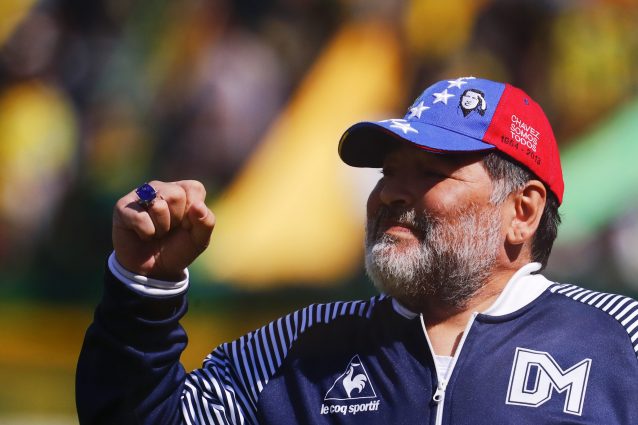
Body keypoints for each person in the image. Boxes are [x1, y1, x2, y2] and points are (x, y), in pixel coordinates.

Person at [76, 77, 638, 424]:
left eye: (431, 173)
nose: (390, 193)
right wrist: (143, 286)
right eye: (388, 171)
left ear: (523, 211)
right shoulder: (295, 348)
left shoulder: (622, 341)